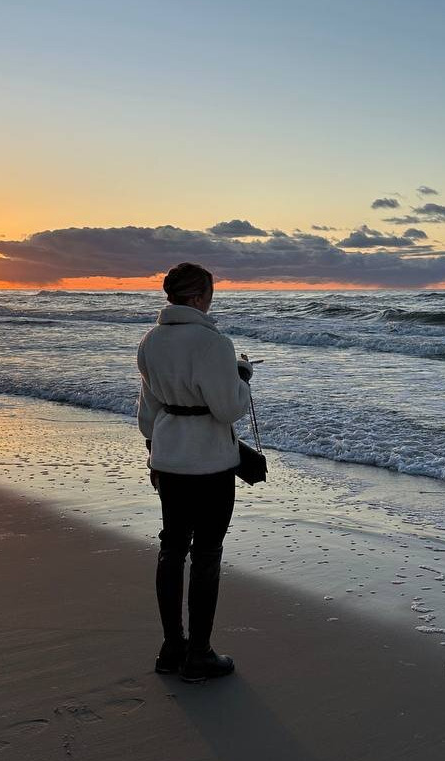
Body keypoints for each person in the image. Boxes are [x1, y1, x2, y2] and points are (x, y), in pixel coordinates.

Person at [137, 262, 254, 682]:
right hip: (209, 462)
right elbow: (228, 408)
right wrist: (243, 378)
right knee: (206, 554)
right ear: (201, 296)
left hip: (168, 458)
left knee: (172, 550)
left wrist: (154, 452)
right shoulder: (213, 343)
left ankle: (172, 648)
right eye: (210, 291)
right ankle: (199, 654)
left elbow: (148, 408)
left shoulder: (151, 340)